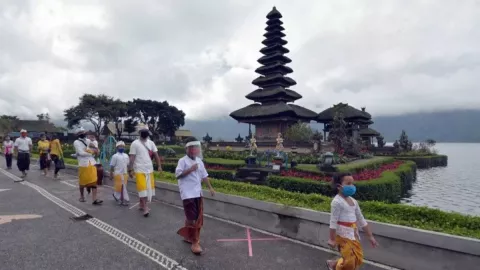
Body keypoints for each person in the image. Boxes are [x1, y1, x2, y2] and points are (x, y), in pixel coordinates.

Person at [326, 173, 379, 270]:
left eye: (352, 183)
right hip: (342, 235)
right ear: (339, 186)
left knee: (357, 258)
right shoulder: (336, 202)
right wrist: (332, 239)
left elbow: (361, 219)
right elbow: (333, 222)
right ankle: (336, 266)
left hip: (353, 234)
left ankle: (333, 264)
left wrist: (370, 236)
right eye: (348, 183)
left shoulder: (354, 201)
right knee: (350, 262)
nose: (352, 186)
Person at [175, 137, 215, 255]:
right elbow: (178, 175)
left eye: (196, 148)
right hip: (187, 194)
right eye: (192, 148)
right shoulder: (182, 161)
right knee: (194, 219)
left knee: (194, 217)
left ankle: (188, 236)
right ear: (187, 149)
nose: (194, 150)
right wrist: (191, 169)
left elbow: (204, 176)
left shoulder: (199, 161)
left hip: (198, 193)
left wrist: (210, 187)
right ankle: (195, 242)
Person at [128, 126, 162, 217]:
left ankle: (141, 204)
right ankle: (145, 207)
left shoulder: (151, 143)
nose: (145, 135)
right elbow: (132, 157)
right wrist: (130, 169)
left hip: (149, 169)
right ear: (140, 133)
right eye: (143, 133)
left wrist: (159, 166)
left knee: (147, 188)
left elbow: (156, 155)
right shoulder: (135, 143)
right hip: (139, 169)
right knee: (142, 188)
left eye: (146, 133)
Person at [73, 127, 103, 205]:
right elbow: (81, 153)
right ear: (77, 135)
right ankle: (82, 196)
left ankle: (94, 199)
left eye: (83, 132)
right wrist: (92, 152)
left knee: (94, 182)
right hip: (83, 164)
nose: (83, 133)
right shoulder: (76, 142)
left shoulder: (88, 141)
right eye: (80, 133)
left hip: (92, 163)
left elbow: (97, 150)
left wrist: (94, 150)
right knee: (82, 182)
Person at [110, 141, 130, 206]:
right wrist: (111, 174)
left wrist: (130, 172)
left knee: (124, 187)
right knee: (119, 187)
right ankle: (119, 198)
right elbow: (112, 166)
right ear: (117, 148)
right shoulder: (115, 156)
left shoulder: (126, 156)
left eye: (122, 146)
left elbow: (128, 165)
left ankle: (121, 199)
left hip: (125, 174)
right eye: (120, 146)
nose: (121, 147)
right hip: (118, 174)